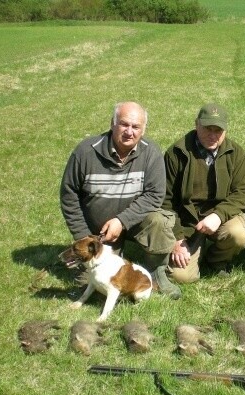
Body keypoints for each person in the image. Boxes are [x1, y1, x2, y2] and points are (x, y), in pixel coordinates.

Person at [60, 101, 181, 299]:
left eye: (136, 127)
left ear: (143, 130)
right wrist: (84, 237)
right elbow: (68, 194)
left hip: (135, 224)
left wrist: (122, 221)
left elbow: (155, 194)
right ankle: (114, 259)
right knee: (96, 289)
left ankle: (156, 272)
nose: (129, 132)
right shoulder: (85, 152)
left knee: (158, 221)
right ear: (112, 124)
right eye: (124, 124)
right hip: (99, 234)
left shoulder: (151, 152)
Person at [162, 103, 245, 283]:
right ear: (196, 124)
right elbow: (165, 200)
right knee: (180, 277)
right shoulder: (176, 153)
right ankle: (195, 252)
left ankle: (216, 260)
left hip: (220, 217)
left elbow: (243, 191)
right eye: (207, 129)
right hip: (187, 222)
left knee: (239, 233)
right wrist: (177, 238)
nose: (212, 135)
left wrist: (219, 215)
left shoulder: (236, 153)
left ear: (226, 130)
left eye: (218, 130)